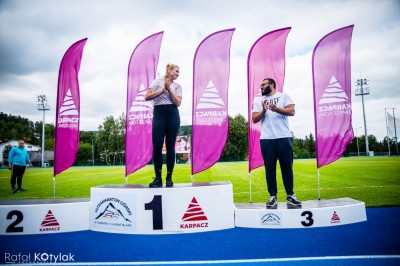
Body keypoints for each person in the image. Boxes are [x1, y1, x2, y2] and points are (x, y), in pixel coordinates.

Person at [251, 78, 302, 209]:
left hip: (284, 137)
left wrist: (276, 109)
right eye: (261, 85)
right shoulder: (258, 100)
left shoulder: (284, 96)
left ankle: (291, 195)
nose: (261, 87)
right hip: (267, 139)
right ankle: (272, 197)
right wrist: (264, 110)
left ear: (272, 85)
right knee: (270, 169)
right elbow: (254, 119)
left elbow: (292, 111)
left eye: (263, 84)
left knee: (287, 168)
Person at [145, 64, 182, 187]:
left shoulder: (177, 86)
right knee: (157, 146)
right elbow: (147, 97)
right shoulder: (156, 82)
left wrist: (169, 89)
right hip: (159, 114)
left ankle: (169, 178)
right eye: (176, 71)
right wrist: (161, 90)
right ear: (169, 70)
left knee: (170, 146)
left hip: (172, 115)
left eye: (178, 72)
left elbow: (178, 103)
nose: (178, 73)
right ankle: (158, 178)